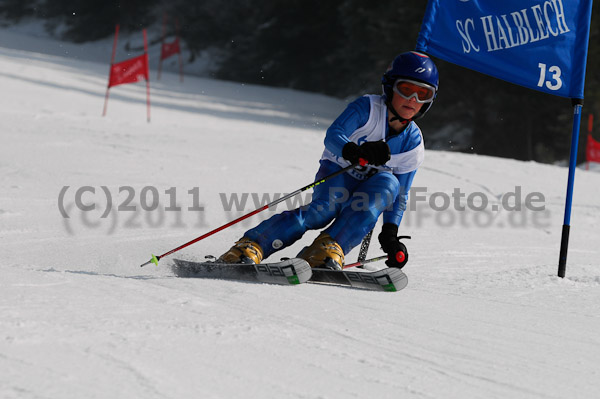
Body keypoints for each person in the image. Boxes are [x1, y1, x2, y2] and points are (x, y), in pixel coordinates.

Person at [218, 51, 439, 270]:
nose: (413, 99)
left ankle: (326, 250)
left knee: (389, 185)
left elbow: (400, 195)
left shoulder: (413, 144)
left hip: (372, 187)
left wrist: (390, 235)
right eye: (406, 89)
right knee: (322, 211)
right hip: (339, 171)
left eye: (423, 93)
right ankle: (252, 245)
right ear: (390, 87)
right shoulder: (368, 108)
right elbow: (333, 135)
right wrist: (355, 152)